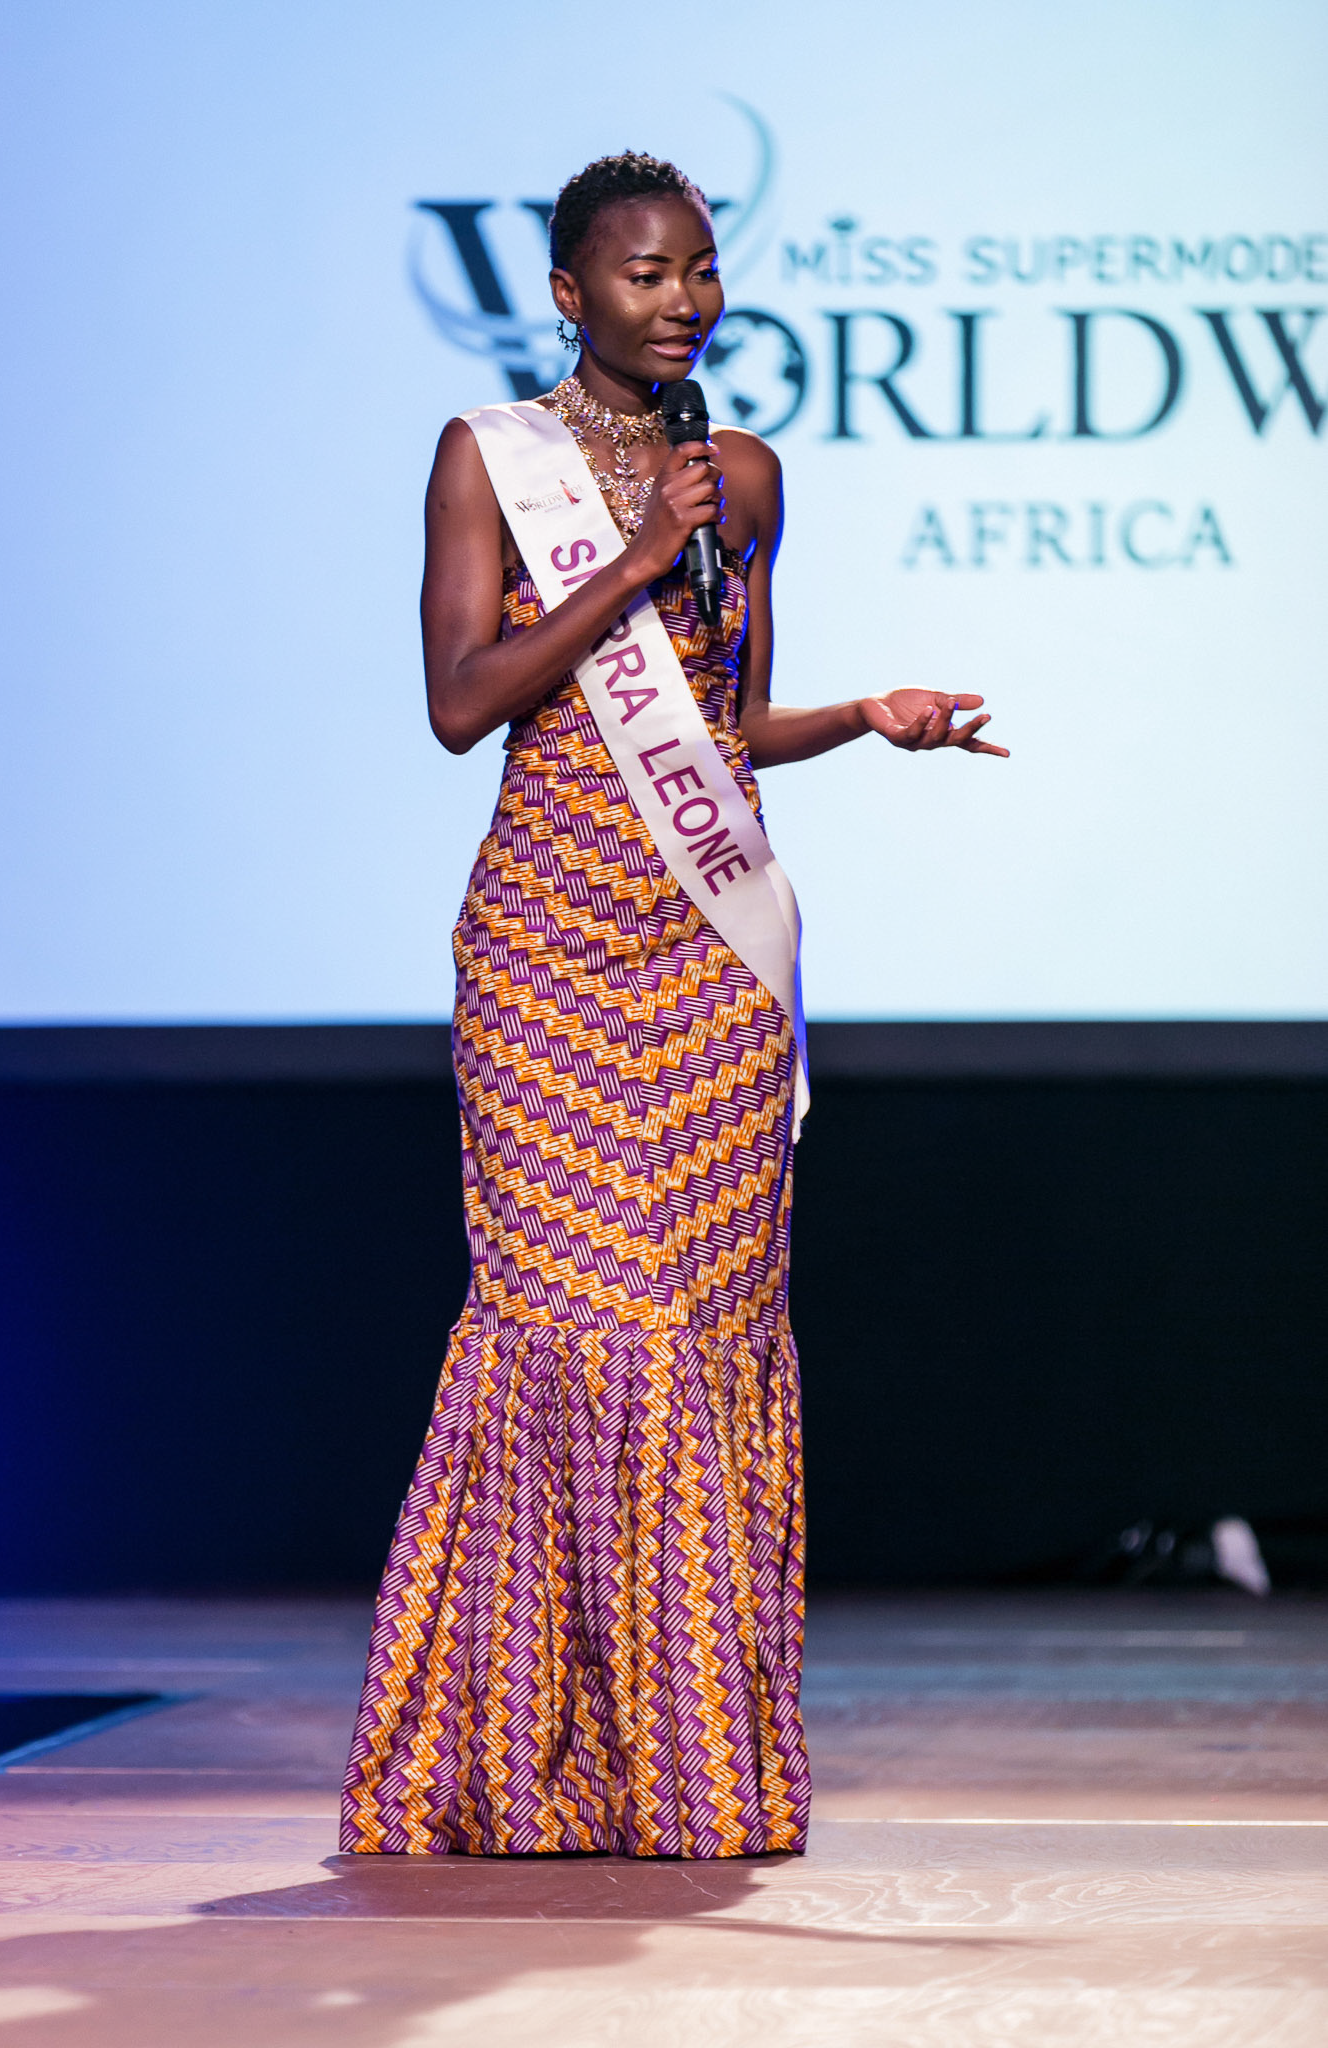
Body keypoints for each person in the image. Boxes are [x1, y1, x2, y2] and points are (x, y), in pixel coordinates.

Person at [341, 151, 1007, 1862]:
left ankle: (688, 1761)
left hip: (709, 957)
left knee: (700, 1330)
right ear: (572, 292)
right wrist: (636, 558)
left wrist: (868, 716)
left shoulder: (747, 474)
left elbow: (732, 726)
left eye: (702, 268)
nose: (685, 300)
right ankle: (521, 1763)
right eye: (647, 274)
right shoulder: (488, 458)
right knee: (572, 1323)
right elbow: (461, 702)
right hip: (550, 943)